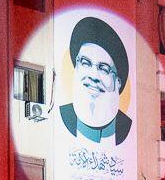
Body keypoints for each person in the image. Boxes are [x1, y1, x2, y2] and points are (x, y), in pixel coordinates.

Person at [57, 16, 133, 146]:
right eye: (85, 63)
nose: (93, 75)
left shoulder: (124, 128)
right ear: (75, 67)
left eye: (104, 69)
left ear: (118, 82)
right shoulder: (63, 116)